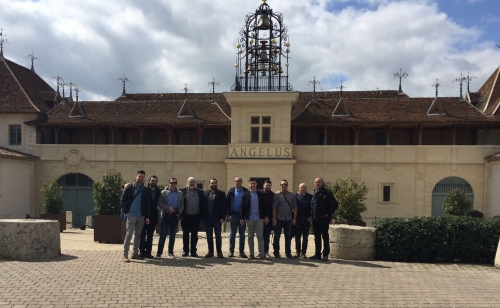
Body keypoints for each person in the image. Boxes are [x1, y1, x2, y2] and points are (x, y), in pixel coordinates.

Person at [120, 170, 150, 262]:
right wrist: (126, 212)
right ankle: (125, 255)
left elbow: (147, 204)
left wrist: (147, 216)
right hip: (131, 214)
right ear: (136, 176)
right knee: (128, 235)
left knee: (138, 235)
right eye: (139, 176)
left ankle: (135, 253)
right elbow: (122, 200)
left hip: (141, 215)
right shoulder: (129, 188)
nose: (140, 178)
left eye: (142, 177)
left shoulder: (145, 190)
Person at [310, 177, 338, 261]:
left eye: (318, 182)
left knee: (325, 236)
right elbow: (313, 206)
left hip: (323, 219)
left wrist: (328, 214)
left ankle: (325, 254)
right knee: (317, 237)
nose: (317, 183)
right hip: (315, 219)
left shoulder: (327, 193)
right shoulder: (315, 193)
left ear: (322, 183)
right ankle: (317, 254)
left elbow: (335, 205)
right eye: (316, 182)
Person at [156, 177, 184, 258]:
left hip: (175, 217)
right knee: (163, 235)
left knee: (172, 236)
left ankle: (170, 252)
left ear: (176, 184)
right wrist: (168, 209)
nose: (173, 184)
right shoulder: (164, 192)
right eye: (171, 183)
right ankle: (159, 253)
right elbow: (159, 203)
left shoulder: (180, 193)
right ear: (169, 184)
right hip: (166, 216)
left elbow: (182, 204)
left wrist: (180, 211)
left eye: (174, 183)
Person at [241, 178, 267, 259]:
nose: (252, 185)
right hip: (249, 219)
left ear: (256, 184)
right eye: (251, 183)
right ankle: (251, 254)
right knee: (250, 237)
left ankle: (262, 254)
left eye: (254, 183)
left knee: (260, 237)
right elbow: (242, 207)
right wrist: (242, 218)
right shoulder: (245, 195)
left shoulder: (261, 195)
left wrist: (266, 217)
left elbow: (264, 207)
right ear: (249, 184)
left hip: (259, 218)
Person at [272, 179, 297, 259]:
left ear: (287, 185)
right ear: (280, 186)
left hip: (289, 219)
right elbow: (274, 208)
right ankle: (276, 253)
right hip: (279, 219)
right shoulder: (277, 195)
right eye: (282, 184)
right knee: (277, 236)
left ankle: (288, 253)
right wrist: (274, 219)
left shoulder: (292, 195)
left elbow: (295, 207)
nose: (284, 186)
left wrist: (294, 218)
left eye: (285, 184)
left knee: (288, 237)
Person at [202, 178, 227, 258]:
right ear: (209, 184)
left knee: (218, 236)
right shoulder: (205, 193)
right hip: (207, 218)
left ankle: (219, 252)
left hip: (217, 219)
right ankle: (210, 252)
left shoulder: (221, 194)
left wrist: (223, 217)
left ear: (217, 184)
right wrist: (203, 217)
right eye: (212, 183)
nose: (213, 184)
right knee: (209, 236)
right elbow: (202, 206)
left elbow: (224, 207)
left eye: (214, 183)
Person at [180, 177, 204, 257]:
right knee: (185, 235)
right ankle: (185, 251)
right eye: (190, 182)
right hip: (185, 217)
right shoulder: (182, 191)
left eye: (193, 182)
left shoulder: (200, 192)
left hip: (196, 217)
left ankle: (193, 251)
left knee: (194, 235)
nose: (192, 183)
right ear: (187, 183)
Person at [226, 177, 248, 258]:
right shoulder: (231, 191)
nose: (238, 182)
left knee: (242, 234)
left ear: (242, 182)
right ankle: (231, 251)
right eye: (236, 181)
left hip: (242, 216)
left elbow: (247, 205)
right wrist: (229, 215)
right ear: (234, 182)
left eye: (239, 181)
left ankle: (241, 252)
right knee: (232, 234)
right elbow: (227, 204)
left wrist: (245, 216)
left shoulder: (246, 191)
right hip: (233, 215)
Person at [139, 175, 161, 259]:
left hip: (153, 216)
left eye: (155, 181)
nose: (154, 182)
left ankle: (148, 253)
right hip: (144, 215)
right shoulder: (144, 190)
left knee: (150, 236)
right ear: (149, 181)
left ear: (157, 182)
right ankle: (141, 252)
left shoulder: (158, 191)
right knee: (142, 235)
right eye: (152, 180)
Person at [294, 183, 313, 258]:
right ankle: (297, 252)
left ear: (306, 188)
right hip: (298, 219)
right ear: (299, 188)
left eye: (304, 187)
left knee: (305, 237)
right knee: (297, 237)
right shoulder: (296, 196)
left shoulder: (311, 197)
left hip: (307, 220)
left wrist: (311, 217)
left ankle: (303, 253)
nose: (303, 188)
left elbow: (313, 208)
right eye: (301, 187)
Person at [260, 180, 274, 259]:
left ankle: (266, 251)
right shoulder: (259, 194)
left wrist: (269, 217)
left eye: (269, 185)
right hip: (260, 219)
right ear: (263, 185)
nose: (267, 187)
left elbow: (272, 208)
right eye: (266, 185)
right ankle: (260, 251)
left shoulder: (272, 195)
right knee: (260, 236)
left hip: (268, 219)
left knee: (266, 236)